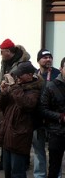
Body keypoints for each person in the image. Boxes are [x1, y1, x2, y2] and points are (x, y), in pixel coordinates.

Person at [0, 61, 44, 178]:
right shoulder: (16, 88)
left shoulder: (35, 90)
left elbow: (26, 104)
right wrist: (3, 93)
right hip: (8, 132)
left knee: (17, 172)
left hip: (20, 135)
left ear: (29, 75)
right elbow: (1, 106)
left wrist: (13, 87)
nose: (17, 77)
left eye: (20, 75)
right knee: (7, 170)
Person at [0, 38, 31, 171]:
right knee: (5, 130)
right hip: (6, 97)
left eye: (2, 52)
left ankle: (23, 161)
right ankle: (4, 161)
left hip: (18, 99)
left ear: (8, 51)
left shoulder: (23, 62)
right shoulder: (5, 61)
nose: (0, 54)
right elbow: (1, 76)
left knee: (18, 132)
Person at [33, 49, 61, 178]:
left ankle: (56, 175)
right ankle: (40, 175)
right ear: (38, 60)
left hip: (54, 119)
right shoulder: (34, 75)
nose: (48, 59)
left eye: (50, 57)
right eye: (45, 57)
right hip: (37, 119)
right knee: (39, 150)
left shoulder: (58, 74)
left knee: (56, 151)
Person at [40, 57, 65, 178]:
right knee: (54, 167)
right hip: (56, 132)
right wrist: (60, 116)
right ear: (61, 69)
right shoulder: (51, 86)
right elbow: (43, 109)